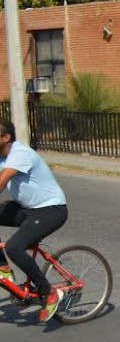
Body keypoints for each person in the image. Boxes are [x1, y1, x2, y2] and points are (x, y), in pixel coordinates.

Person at [0, 119, 68, 322]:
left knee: (14, 248)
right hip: (28, 209)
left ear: (6, 138)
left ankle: (49, 292)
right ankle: (3, 268)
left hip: (51, 210)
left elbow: (2, 182)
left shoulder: (19, 154)